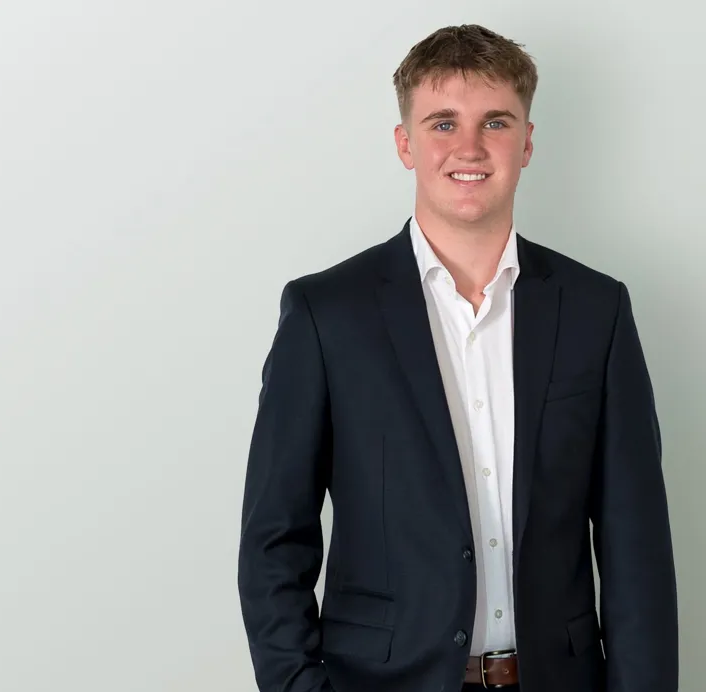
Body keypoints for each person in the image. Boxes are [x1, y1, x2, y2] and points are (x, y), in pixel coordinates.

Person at [237, 24, 678, 692]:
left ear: (527, 142)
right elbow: (274, 540)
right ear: (404, 143)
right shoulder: (326, 315)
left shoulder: (597, 310)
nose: (469, 147)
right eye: (443, 123)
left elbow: (635, 544)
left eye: (495, 122)